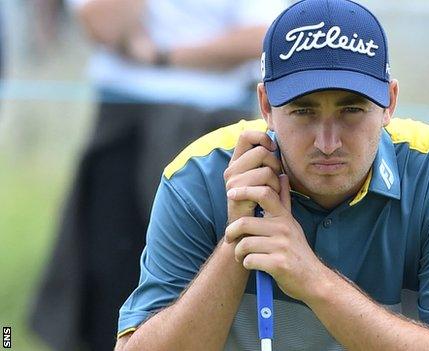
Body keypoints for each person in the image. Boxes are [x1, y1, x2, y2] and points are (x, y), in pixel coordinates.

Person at [115, 0, 429, 350]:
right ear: (266, 104)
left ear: (390, 102)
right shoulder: (198, 176)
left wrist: (313, 278)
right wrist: (236, 245)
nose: (328, 142)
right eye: (303, 111)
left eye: (351, 110)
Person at [29, 1, 286, 351]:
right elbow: (102, 23)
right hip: (125, 120)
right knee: (108, 280)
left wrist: (163, 57)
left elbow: (264, 37)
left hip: (213, 124)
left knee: (208, 279)